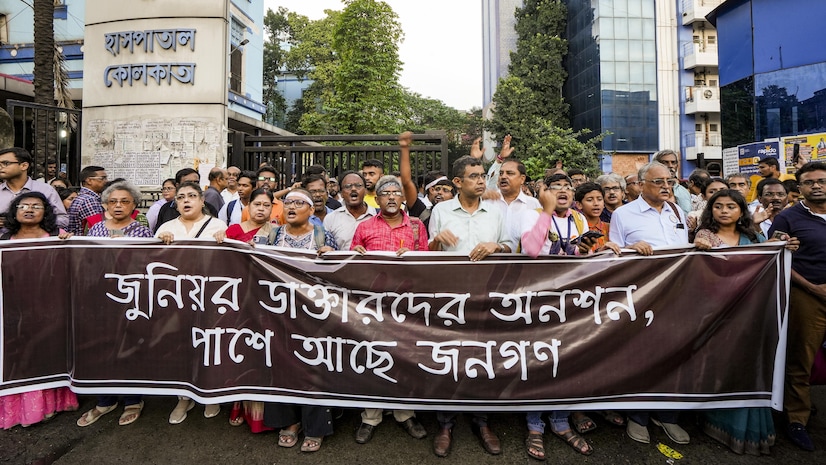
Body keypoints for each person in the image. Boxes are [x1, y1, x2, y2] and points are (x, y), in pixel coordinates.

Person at [694, 189, 798, 455]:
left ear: (742, 211)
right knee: (724, 364)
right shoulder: (705, 236)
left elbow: (767, 256)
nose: (725, 211)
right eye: (718, 206)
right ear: (711, 210)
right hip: (718, 314)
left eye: (731, 206)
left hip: (752, 312)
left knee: (751, 365)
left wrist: (782, 243)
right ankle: (718, 422)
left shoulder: (754, 237)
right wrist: (700, 246)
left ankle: (752, 428)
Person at [428, 156, 513, 457]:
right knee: (449, 359)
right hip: (450, 299)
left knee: (484, 358)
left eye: (482, 176)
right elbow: (429, 254)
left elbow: (511, 246)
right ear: (457, 182)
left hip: (488, 297)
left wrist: (497, 246)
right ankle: (446, 424)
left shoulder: (496, 211)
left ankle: (482, 421)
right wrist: (436, 240)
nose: (481, 181)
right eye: (474, 176)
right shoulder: (440, 210)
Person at [609, 161, 690, 445]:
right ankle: (638, 415)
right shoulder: (623, 214)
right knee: (641, 356)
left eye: (670, 181)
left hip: (677, 296)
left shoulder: (678, 211)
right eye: (659, 182)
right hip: (642, 297)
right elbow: (614, 257)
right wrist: (632, 249)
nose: (666, 186)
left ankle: (667, 416)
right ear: (642, 184)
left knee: (674, 355)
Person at [350, 175, 428, 443]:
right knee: (372, 358)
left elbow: (429, 267)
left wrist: (415, 259)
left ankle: (405, 413)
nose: (392, 196)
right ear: (378, 198)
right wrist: (356, 254)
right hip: (372, 306)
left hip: (406, 306)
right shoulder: (364, 227)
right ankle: (370, 415)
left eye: (397, 192)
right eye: (386, 193)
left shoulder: (417, 228)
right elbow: (349, 269)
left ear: (403, 198)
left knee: (405, 357)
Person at [263, 188, 336, 452]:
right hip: (279, 313)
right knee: (281, 366)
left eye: (298, 202)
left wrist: (330, 254)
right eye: (288, 202)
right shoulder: (272, 235)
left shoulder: (321, 235)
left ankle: (315, 426)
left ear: (311, 210)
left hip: (312, 316)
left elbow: (338, 274)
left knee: (313, 367)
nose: (291, 206)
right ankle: (290, 422)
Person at [76, 181, 151, 427]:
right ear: (106, 204)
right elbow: (84, 260)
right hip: (99, 298)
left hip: (130, 298)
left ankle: (133, 399)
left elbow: (146, 263)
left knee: (129, 348)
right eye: (113, 201)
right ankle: (105, 400)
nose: (118, 206)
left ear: (134, 205)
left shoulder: (140, 230)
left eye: (124, 201)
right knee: (101, 348)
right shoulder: (96, 228)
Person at [0, 192, 77, 429]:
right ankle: (19, 408)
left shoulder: (58, 236)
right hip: (12, 312)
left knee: (46, 355)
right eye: (23, 205)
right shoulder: (4, 238)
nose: (29, 209)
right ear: (14, 211)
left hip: (49, 311)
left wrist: (71, 245)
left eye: (36, 206)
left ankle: (50, 405)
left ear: (47, 212)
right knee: (17, 358)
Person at [155, 182, 227, 424]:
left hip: (209, 297)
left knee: (208, 343)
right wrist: (160, 242)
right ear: (175, 203)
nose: (186, 201)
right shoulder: (166, 227)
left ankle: (210, 393)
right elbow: (151, 262)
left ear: (202, 201)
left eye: (192, 196)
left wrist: (223, 240)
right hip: (174, 298)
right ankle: (184, 396)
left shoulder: (217, 225)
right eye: (181, 197)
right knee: (180, 346)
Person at [769, 161, 826, 451]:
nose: (816, 186)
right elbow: (776, 255)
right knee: (801, 360)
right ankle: (797, 419)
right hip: (807, 294)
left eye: (821, 181)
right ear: (799, 187)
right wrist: (812, 287)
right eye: (809, 182)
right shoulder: (788, 218)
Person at [0, 147, 69, 229]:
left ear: (24, 166)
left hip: (35, 240)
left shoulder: (45, 190)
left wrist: (34, 221)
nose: (1, 167)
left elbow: (63, 220)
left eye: (6, 163)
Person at [399, 131, 454, 228]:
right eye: (437, 189)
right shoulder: (423, 211)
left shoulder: (460, 217)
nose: (439, 192)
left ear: (454, 197)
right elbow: (406, 182)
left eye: (445, 190)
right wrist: (404, 148)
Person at [323, 172, 377, 251]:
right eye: (348, 186)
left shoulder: (377, 216)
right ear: (341, 193)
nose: (353, 189)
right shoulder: (331, 218)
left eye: (358, 185)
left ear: (365, 191)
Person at [154, 168, 219, 232]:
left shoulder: (210, 209)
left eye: (196, 182)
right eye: (188, 182)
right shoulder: (166, 209)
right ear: (177, 185)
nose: (193, 185)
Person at [67, 165, 108, 234]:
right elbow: (99, 227)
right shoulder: (89, 200)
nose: (106, 181)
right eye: (102, 178)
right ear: (89, 181)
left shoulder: (84, 198)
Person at [653, 149, 691, 214]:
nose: (670, 166)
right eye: (665, 162)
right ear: (655, 165)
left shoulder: (683, 191)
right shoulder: (650, 189)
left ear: (677, 165)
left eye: (673, 162)